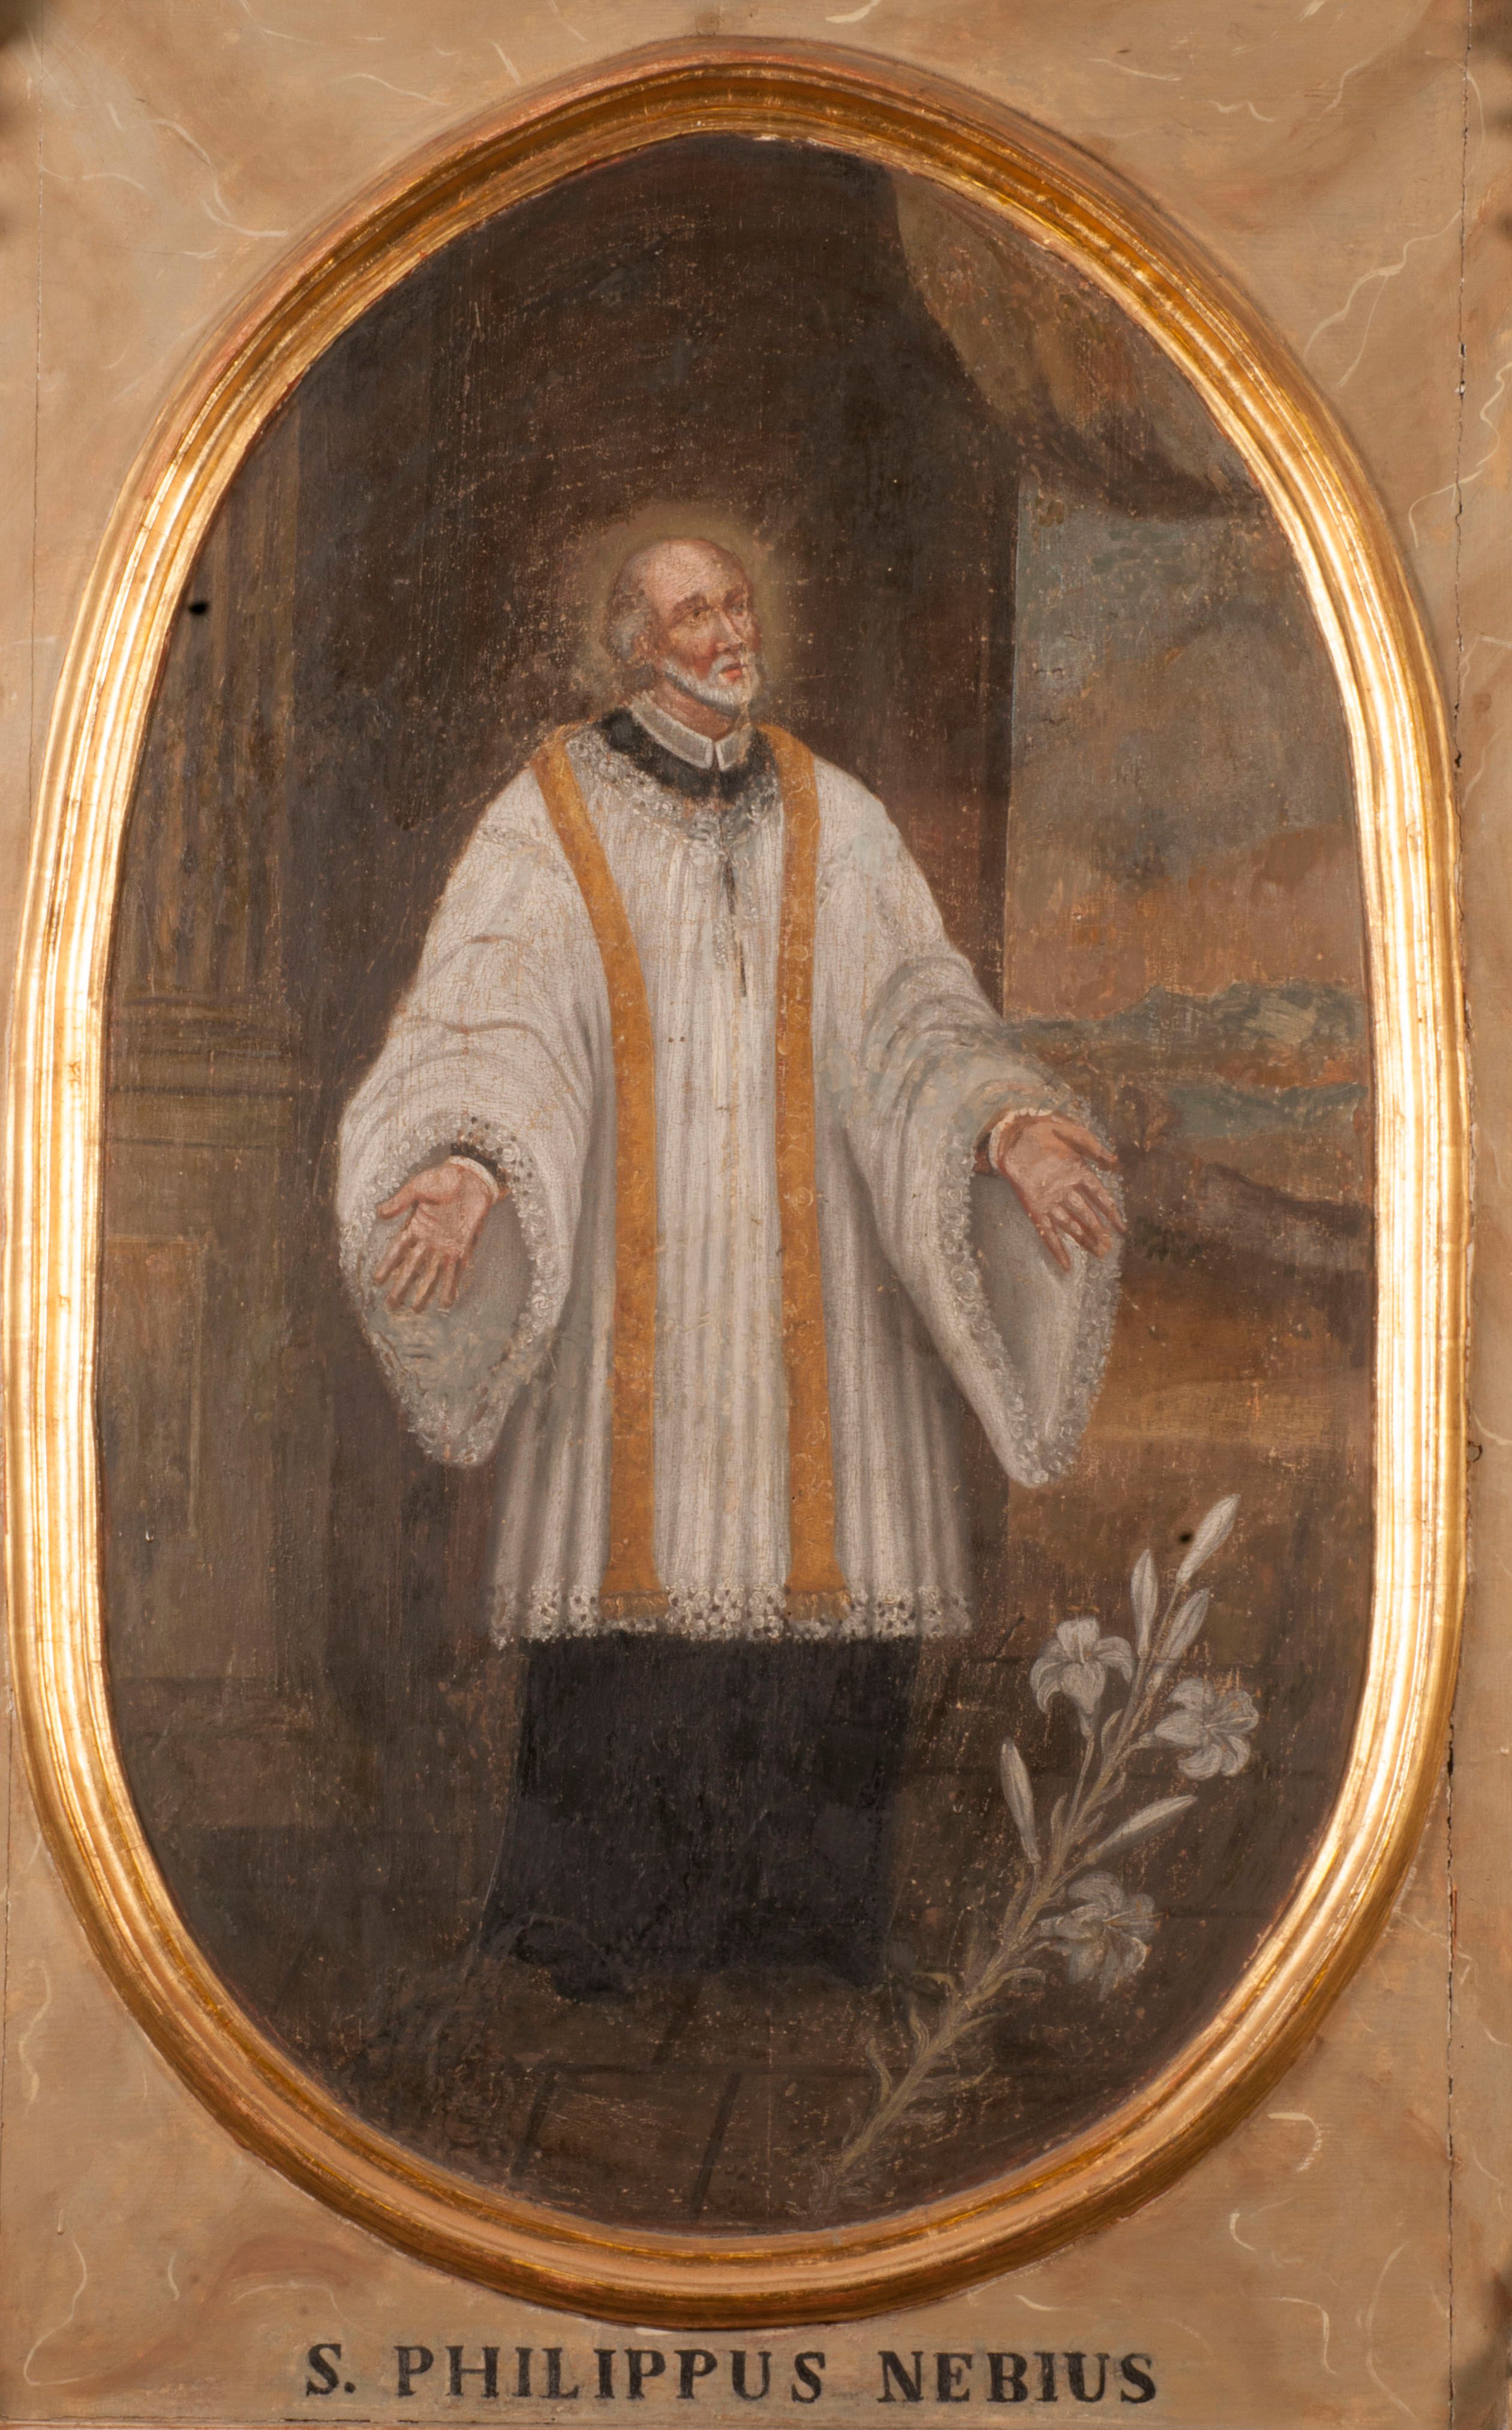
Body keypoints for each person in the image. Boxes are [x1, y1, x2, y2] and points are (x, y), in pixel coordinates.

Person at [336, 537, 1122, 1999]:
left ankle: (804, 1933)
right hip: (632, 1305)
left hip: (823, 1297)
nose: (725, 629)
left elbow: (916, 1013)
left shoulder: (839, 815)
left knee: (820, 1605)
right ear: (633, 645)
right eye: (692, 611)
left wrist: (1005, 1125)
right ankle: (598, 1935)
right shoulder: (547, 816)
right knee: (633, 1613)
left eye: (735, 602)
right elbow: (489, 1014)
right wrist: (469, 1159)